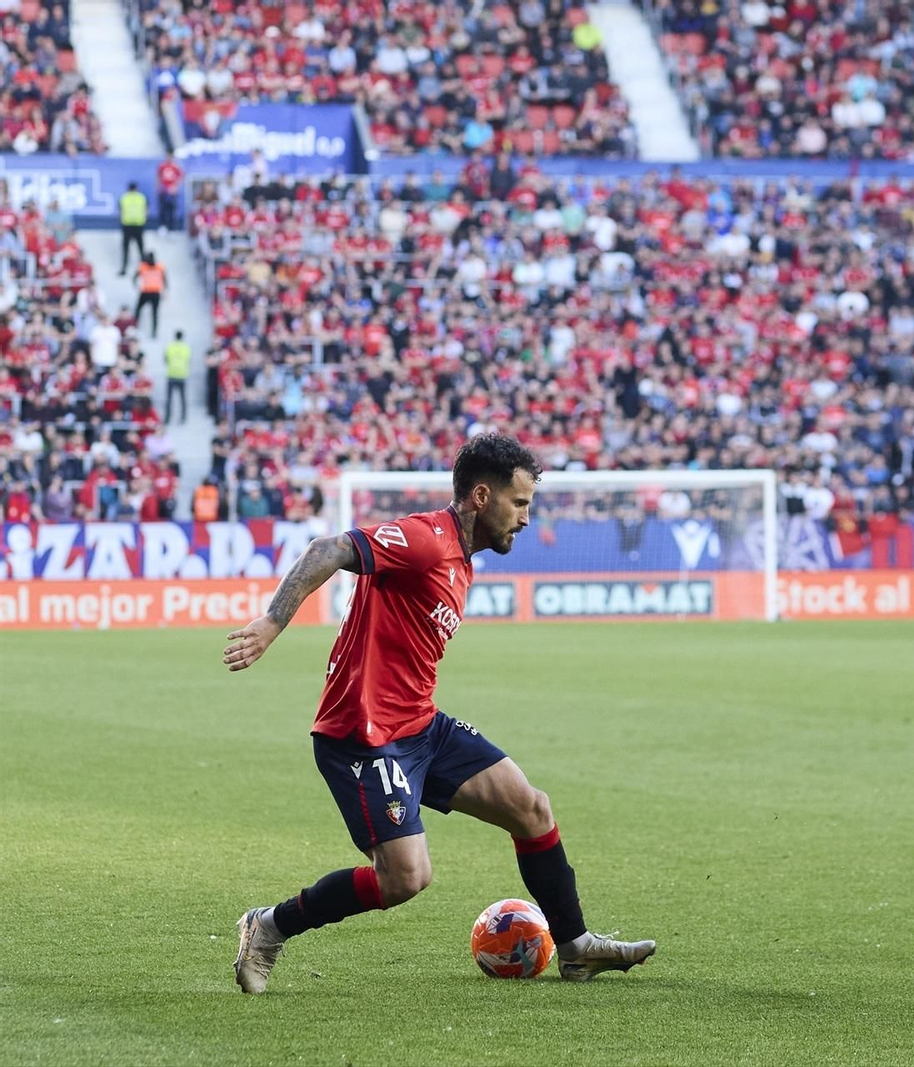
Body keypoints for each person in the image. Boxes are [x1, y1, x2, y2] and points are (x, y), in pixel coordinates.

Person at [225, 433, 656, 993]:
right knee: (405, 876)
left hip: (421, 726)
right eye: (519, 503)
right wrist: (271, 622)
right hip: (364, 735)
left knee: (531, 808)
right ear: (482, 496)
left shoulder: (462, 559)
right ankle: (268, 926)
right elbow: (326, 549)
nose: (526, 518)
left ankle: (575, 948)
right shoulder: (425, 540)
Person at [119, 181, 148, 274]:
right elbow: (146, 209)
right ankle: (144, 268)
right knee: (141, 248)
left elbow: (120, 210)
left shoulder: (124, 198)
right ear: (136, 188)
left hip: (127, 225)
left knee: (126, 248)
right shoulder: (141, 197)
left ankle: (124, 268)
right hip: (138, 224)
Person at [164, 329, 191, 424]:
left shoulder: (170, 347)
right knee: (182, 398)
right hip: (182, 375)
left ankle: (167, 417)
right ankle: (183, 417)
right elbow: (188, 360)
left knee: (169, 398)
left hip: (171, 374)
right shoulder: (186, 348)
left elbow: (166, 359)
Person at [135, 253, 165, 336]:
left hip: (154, 291)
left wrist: (165, 291)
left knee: (154, 312)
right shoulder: (143, 267)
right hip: (147, 291)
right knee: (139, 309)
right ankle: (135, 325)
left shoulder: (159, 267)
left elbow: (164, 279)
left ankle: (154, 331)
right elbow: (135, 277)